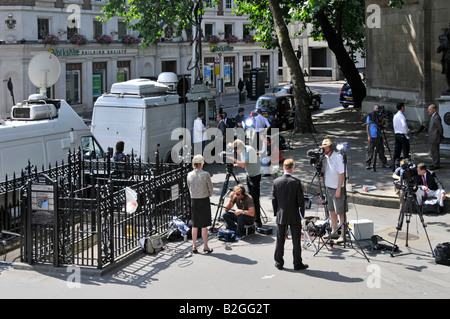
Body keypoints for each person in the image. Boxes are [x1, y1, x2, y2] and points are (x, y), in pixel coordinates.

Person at [272, 159, 308, 271]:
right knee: (296, 240)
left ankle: (279, 262)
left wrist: (276, 212)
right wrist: (302, 216)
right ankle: (297, 263)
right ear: (292, 168)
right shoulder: (296, 182)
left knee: (280, 239)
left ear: (283, 167)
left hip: (281, 214)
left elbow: (274, 200)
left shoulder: (276, 181)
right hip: (294, 215)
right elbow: (300, 202)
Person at [320, 138, 347, 244]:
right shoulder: (325, 158)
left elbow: (342, 173)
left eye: (325, 147)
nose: (324, 149)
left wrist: (339, 188)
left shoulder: (337, 157)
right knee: (331, 211)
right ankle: (334, 231)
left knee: (340, 212)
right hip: (329, 187)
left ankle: (343, 234)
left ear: (330, 147)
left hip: (337, 187)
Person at [232, 139, 263, 227]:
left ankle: (258, 220)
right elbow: (243, 163)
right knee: (249, 197)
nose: (236, 152)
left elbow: (243, 164)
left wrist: (233, 159)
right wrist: (235, 164)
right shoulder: (243, 151)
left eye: (236, 150)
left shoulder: (248, 150)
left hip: (255, 176)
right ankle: (251, 217)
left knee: (254, 198)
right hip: (249, 174)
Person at [186, 155, 214, 254]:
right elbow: (210, 187)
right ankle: (205, 246)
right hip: (204, 199)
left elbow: (189, 187)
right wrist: (209, 194)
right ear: (201, 163)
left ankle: (194, 246)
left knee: (195, 224)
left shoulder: (189, 174)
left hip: (194, 199)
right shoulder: (205, 174)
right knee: (204, 225)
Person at [365, 104, 390, 170]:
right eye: (376, 108)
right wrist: (368, 136)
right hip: (372, 136)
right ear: (374, 109)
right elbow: (367, 126)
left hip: (379, 136)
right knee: (370, 150)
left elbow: (383, 124)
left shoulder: (380, 116)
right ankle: (368, 163)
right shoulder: (370, 116)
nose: (377, 110)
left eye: (378, 108)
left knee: (381, 150)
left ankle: (384, 163)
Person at [393, 102, 410, 168]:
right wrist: (406, 131)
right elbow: (404, 124)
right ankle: (406, 166)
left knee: (397, 152)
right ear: (402, 107)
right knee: (406, 152)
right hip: (402, 135)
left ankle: (394, 167)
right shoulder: (401, 116)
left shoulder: (395, 116)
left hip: (396, 134)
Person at [427, 104, 444, 170]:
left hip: (435, 137)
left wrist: (440, 135)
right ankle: (434, 162)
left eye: (430, 109)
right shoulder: (432, 116)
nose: (428, 111)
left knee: (435, 151)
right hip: (432, 137)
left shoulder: (436, 117)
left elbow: (440, 127)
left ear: (434, 110)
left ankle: (436, 164)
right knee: (433, 151)